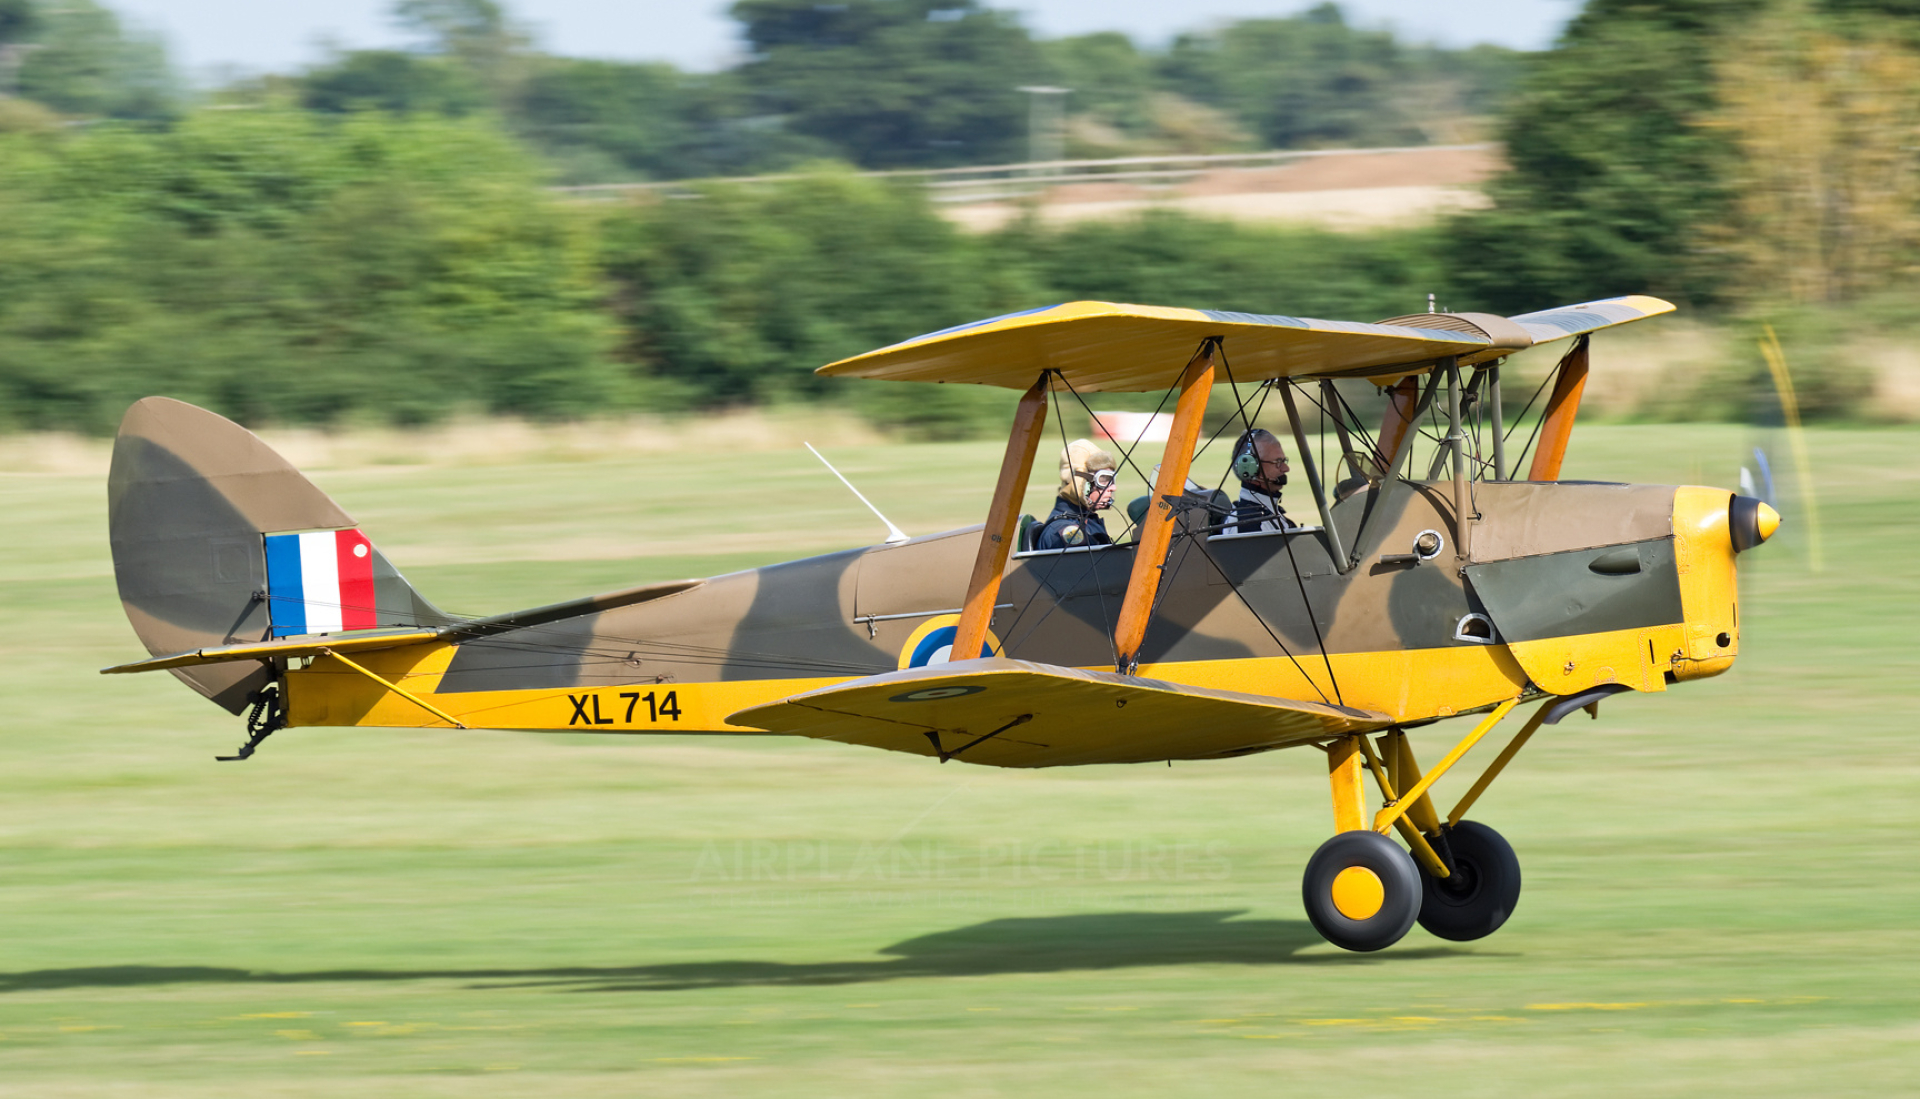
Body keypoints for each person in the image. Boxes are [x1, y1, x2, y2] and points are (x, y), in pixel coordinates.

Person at [1035, 439, 1118, 549]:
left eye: (1112, 479)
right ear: (1081, 483)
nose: (1113, 487)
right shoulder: (1065, 533)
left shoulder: (1089, 521)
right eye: (1103, 479)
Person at [1229, 429, 1297, 534]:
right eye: (1277, 462)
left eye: (1284, 461)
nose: (1286, 468)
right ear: (1250, 468)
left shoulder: (1268, 513)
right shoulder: (1251, 525)